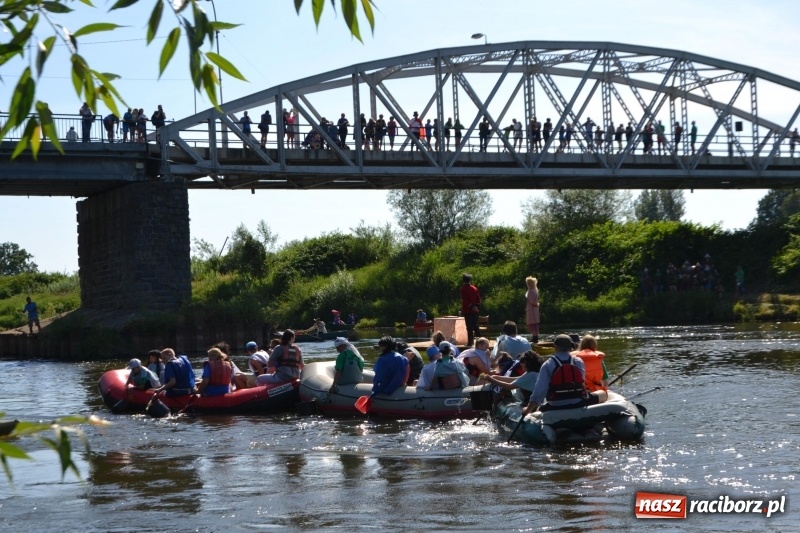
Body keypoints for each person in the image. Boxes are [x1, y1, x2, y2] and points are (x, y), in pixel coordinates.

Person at [522, 335, 608, 414]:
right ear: (571, 348)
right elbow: (581, 384)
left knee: (538, 410)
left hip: (555, 405)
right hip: (579, 403)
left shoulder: (548, 364)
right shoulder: (578, 361)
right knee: (603, 393)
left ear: (555, 347)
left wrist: (527, 410)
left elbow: (539, 392)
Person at [460, 273, 481, 347]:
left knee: (469, 327)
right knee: (475, 325)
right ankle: (481, 339)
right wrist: (476, 307)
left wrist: (472, 307)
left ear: (463, 280)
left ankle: (470, 342)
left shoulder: (462, 289)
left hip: (467, 310)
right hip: (475, 310)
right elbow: (478, 299)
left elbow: (465, 301)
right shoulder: (474, 288)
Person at [525, 276, 540, 344]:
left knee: (531, 324)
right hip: (535, 309)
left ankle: (534, 337)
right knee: (535, 323)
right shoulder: (535, 290)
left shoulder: (530, 291)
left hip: (531, 309)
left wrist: (537, 304)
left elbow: (532, 302)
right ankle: (536, 336)